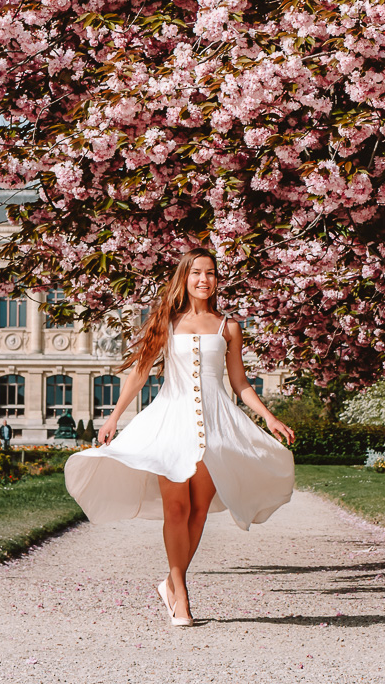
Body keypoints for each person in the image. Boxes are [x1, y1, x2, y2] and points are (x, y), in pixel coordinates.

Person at [64, 248, 295, 627]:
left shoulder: (229, 327)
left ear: (217, 279)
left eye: (211, 273)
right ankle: (181, 595)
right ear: (184, 278)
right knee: (177, 509)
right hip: (171, 421)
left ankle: (170, 584)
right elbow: (139, 373)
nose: (204, 280)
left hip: (216, 425)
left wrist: (267, 417)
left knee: (199, 510)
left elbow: (239, 382)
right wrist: (114, 417)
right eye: (196, 273)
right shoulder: (165, 322)